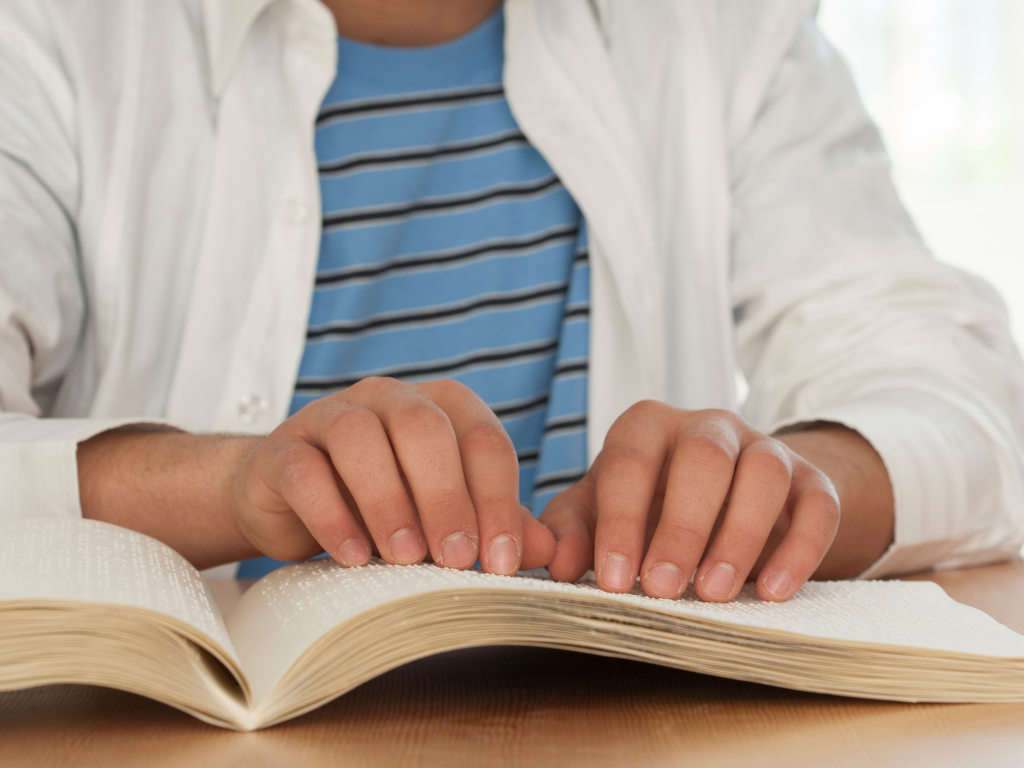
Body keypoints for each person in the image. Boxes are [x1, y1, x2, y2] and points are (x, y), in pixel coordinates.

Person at [2, 0, 1023, 604]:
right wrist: (227, 490)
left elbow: (961, 395)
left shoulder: (721, 28)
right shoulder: (49, 36)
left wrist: (793, 488)